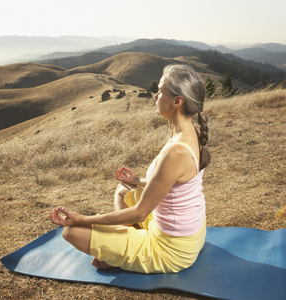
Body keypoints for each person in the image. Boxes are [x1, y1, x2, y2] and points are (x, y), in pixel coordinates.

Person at [50, 64, 211, 273]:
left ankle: (117, 254)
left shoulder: (177, 152)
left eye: (160, 91)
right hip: (192, 233)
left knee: (72, 231)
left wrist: (82, 219)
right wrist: (138, 182)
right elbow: (175, 185)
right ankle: (120, 245)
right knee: (124, 189)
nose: (155, 95)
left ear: (178, 101)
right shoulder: (190, 134)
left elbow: (139, 213)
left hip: (171, 250)